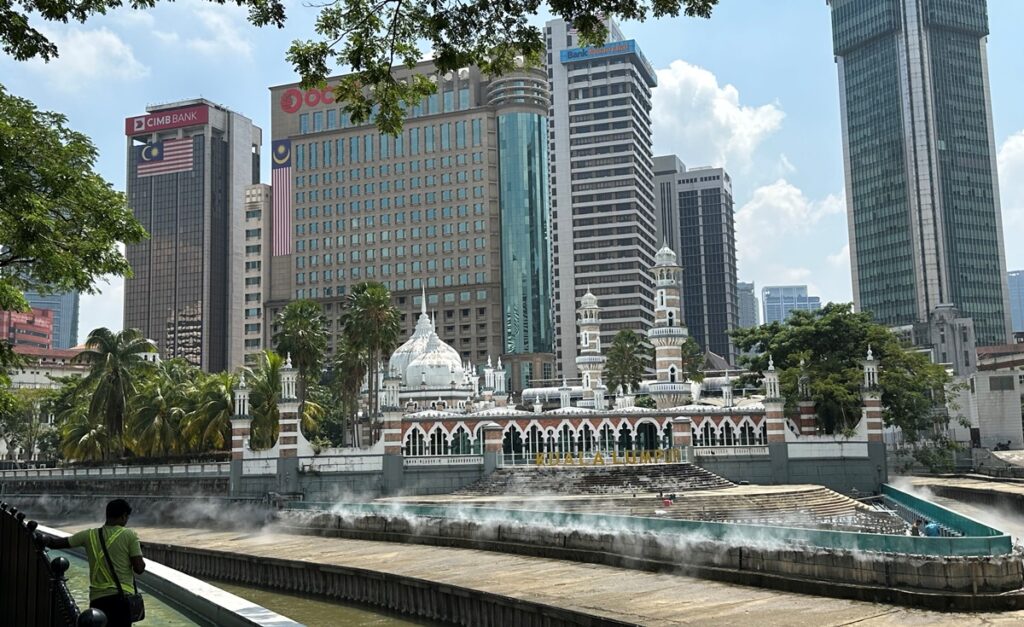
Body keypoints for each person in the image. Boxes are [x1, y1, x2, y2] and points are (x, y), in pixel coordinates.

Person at [45, 498, 145, 626]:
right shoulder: (130, 535)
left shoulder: (89, 535)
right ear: (124, 516)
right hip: (122, 599)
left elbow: (56, 543)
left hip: (97, 600)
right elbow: (139, 568)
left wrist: (42, 539)